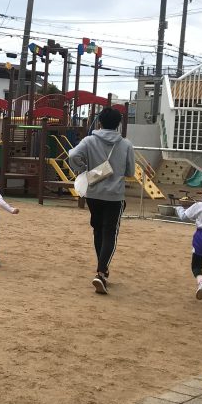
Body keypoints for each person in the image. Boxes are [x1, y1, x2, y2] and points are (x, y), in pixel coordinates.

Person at [66, 107, 136, 294]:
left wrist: (83, 168)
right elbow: (130, 172)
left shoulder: (89, 141)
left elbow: (72, 155)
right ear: (118, 124)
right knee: (110, 232)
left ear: (99, 122)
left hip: (93, 193)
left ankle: (101, 269)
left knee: (98, 230)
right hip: (115, 196)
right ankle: (101, 271)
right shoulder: (126, 144)